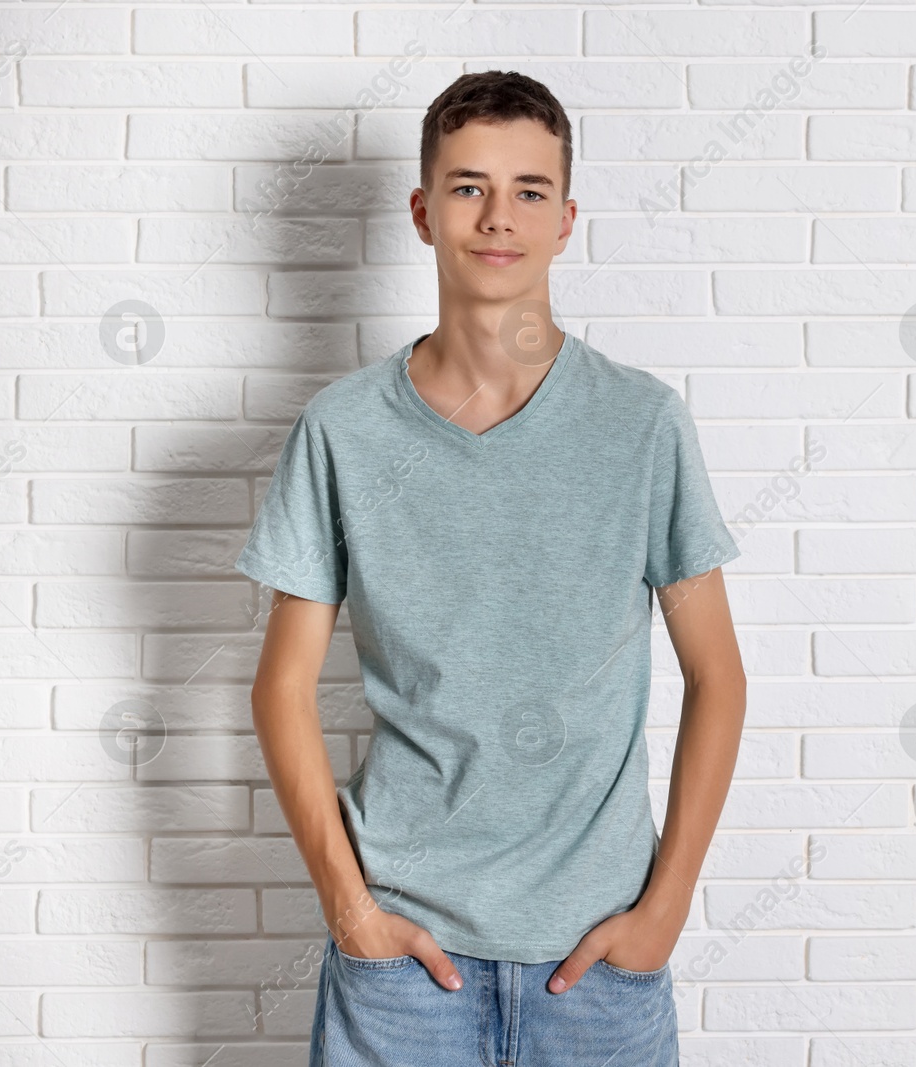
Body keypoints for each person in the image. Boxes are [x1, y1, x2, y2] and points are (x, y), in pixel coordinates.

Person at [236, 69, 746, 1066]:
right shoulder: (340, 431)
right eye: (468, 187)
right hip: (400, 965)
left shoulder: (641, 425)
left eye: (528, 190)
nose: (497, 216)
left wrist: (666, 906)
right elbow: (281, 684)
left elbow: (717, 675)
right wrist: (350, 906)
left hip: (599, 963)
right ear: (424, 213)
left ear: (565, 219)